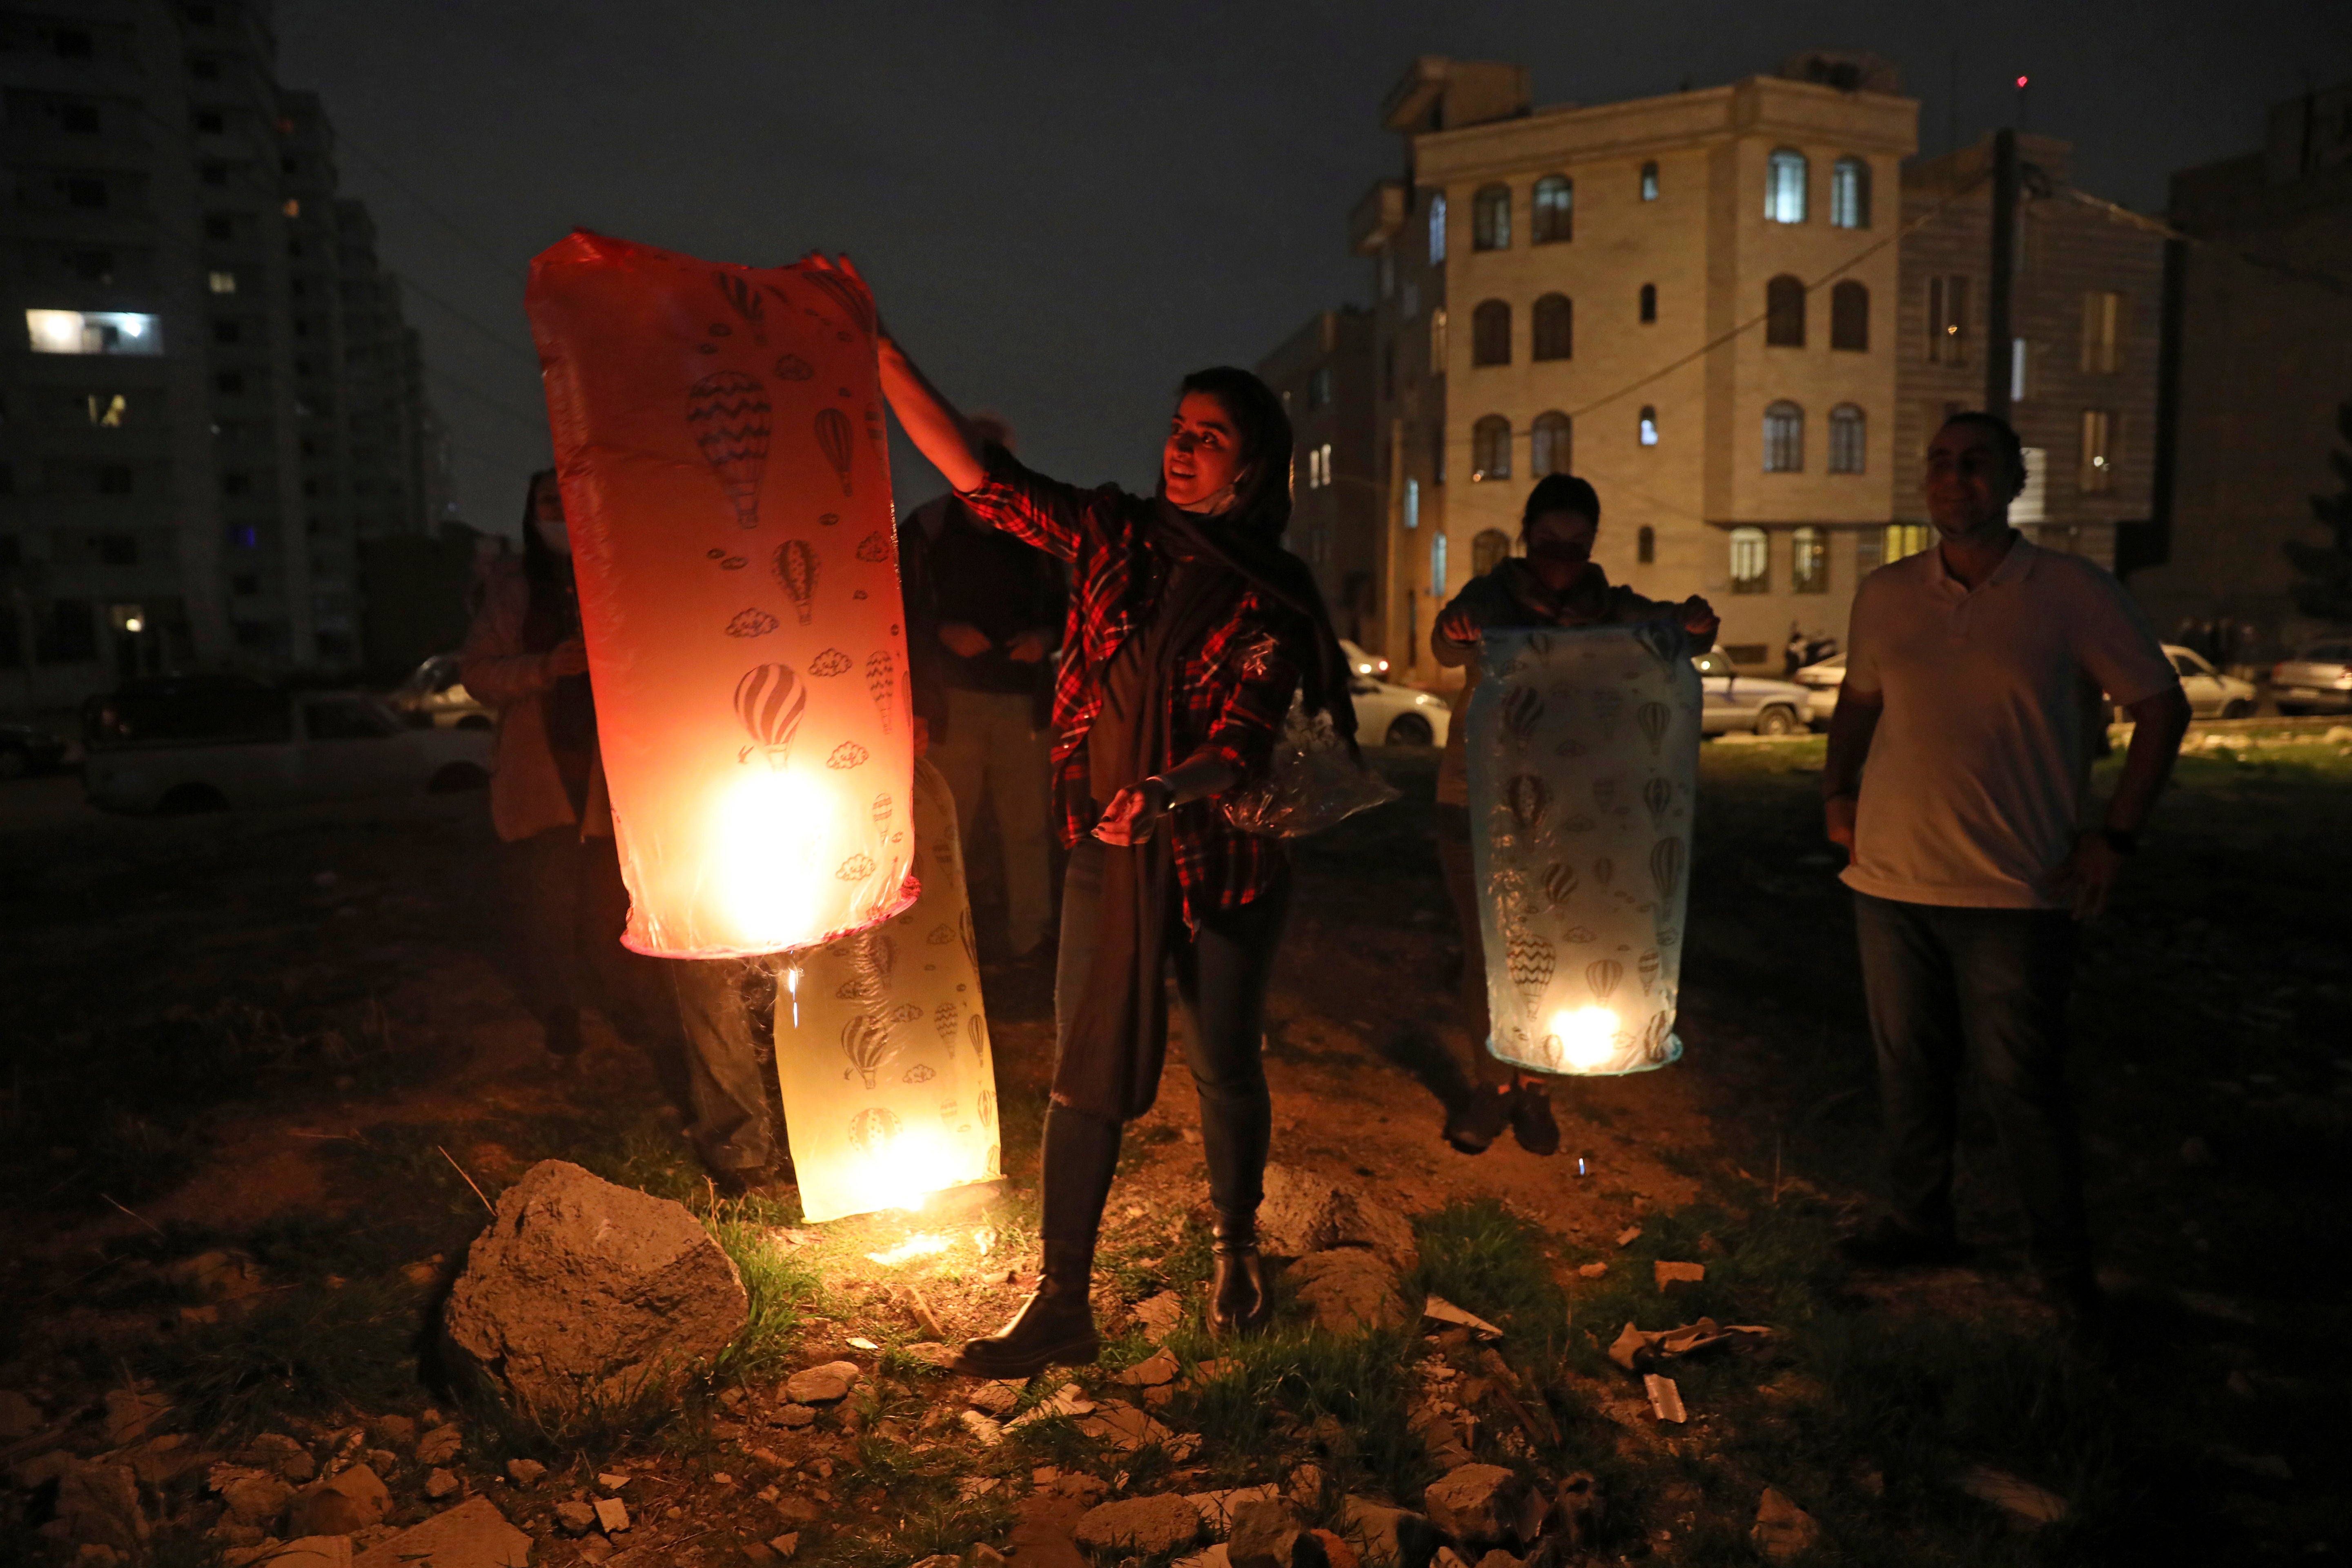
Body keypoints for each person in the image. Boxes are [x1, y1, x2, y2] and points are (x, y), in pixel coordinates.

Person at [847, 257, 1358, 1378]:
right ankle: (1062, 1301)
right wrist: (880, 351)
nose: (1180, 447)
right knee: (1085, 1073)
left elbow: (1243, 738)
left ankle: (1236, 1250)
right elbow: (985, 479)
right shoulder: (1112, 535)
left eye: (1209, 435)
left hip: (1219, 864)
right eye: (1177, 427)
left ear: (1253, 466)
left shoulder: (1266, 597)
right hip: (1107, 856)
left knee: (1224, 1064)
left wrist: (1170, 792)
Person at [1823, 411, 2191, 1337]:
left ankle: (2064, 1271)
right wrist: (1836, 791)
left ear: (2014, 479)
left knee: (2022, 1083)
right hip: (1890, 880)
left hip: (2016, 890)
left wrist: (2116, 838)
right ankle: (1918, 1221)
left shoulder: (2068, 591)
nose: (1956, 479)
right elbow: (1858, 700)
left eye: (1977, 463)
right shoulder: (1887, 592)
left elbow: (2160, 707)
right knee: (1909, 1067)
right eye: (1941, 463)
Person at [1429, 474, 1718, 1155]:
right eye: (1548, 540)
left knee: (1562, 943)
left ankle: (1538, 1086)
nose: (1560, 556)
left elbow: (1670, 637)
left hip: (1573, 808)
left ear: (1593, 544)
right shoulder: (1489, 599)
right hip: (1474, 804)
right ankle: (1492, 1084)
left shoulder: (1611, 608)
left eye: (1575, 544)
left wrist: (1696, 626)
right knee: (1489, 951)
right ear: (1526, 533)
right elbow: (1447, 644)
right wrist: (1459, 630)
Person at [459, 470, 663, 1065]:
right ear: (530, 511)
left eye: (569, 500)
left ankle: (621, 1002)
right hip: (544, 775)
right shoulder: (514, 589)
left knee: (610, 901)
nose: (559, 512)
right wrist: (545, 667)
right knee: (548, 903)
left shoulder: (614, 577)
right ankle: (561, 1010)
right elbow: (477, 673)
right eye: (548, 502)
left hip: (613, 775)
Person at [899, 414, 1068, 960]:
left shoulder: (1038, 534)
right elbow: (898, 609)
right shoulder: (928, 530)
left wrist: (1045, 637)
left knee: (1027, 831)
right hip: (953, 704)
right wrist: (944, 631)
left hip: (1022, 703)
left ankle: (1031, 936)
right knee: (948, 833)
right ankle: (942, 943)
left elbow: (1072, 608)